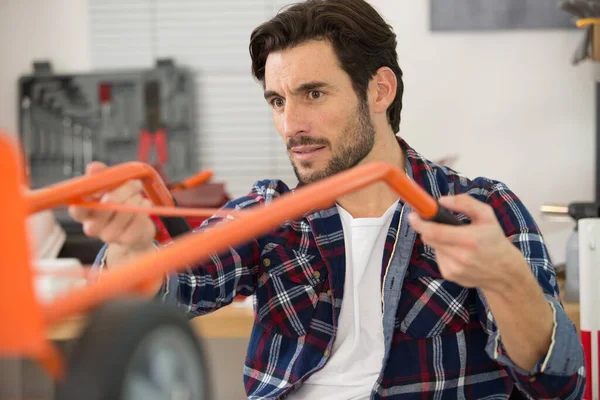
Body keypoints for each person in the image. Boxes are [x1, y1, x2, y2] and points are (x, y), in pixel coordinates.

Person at [69, 0, 585, 398]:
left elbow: (558, 386)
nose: (291, 125)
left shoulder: (481, 209)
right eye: (277, 100)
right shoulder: (273, 215)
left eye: (313, 93)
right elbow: (176, 285)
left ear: (380, 90)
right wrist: (132, 248)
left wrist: (506, 279)